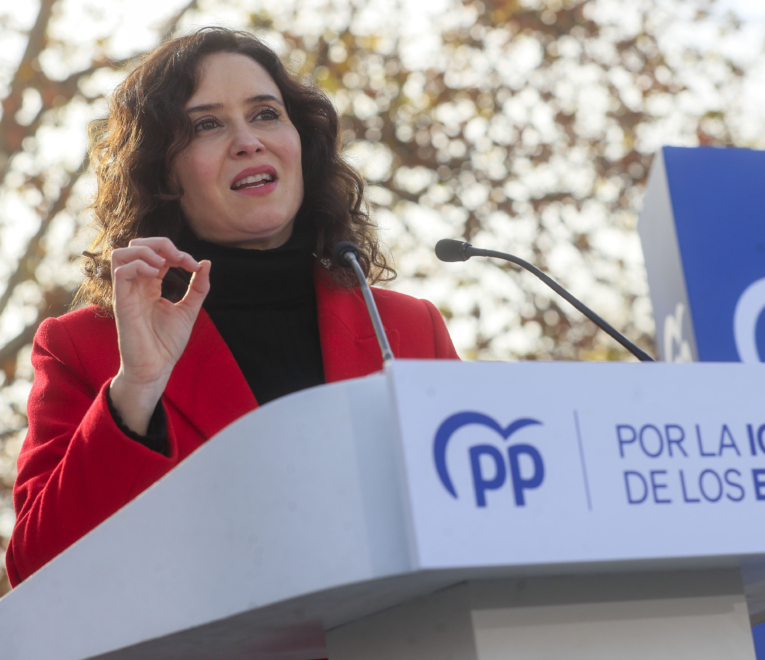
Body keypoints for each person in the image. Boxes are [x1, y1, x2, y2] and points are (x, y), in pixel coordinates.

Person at [5, 28, 458, 588]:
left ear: (301, 144)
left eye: (266, 113)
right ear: (164, 175)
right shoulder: (88, 346)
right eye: (207, 124)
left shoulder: (409, 329)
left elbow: (472, 523)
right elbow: (38, 570)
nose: (248, 140)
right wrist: (137, 389)